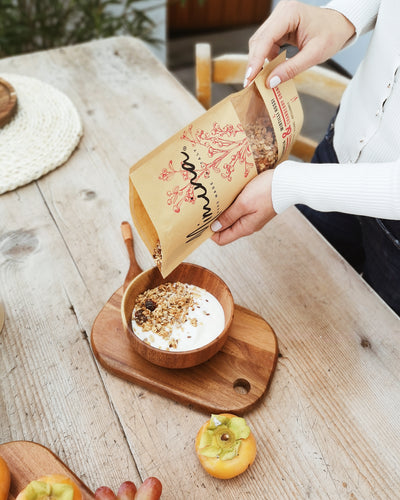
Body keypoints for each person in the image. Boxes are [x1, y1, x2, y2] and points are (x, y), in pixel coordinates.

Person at [210, 0, 400, 316]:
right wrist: (339, 17)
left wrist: (289, 185)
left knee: (377, 347)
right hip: (339, 151)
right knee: (295, 307)